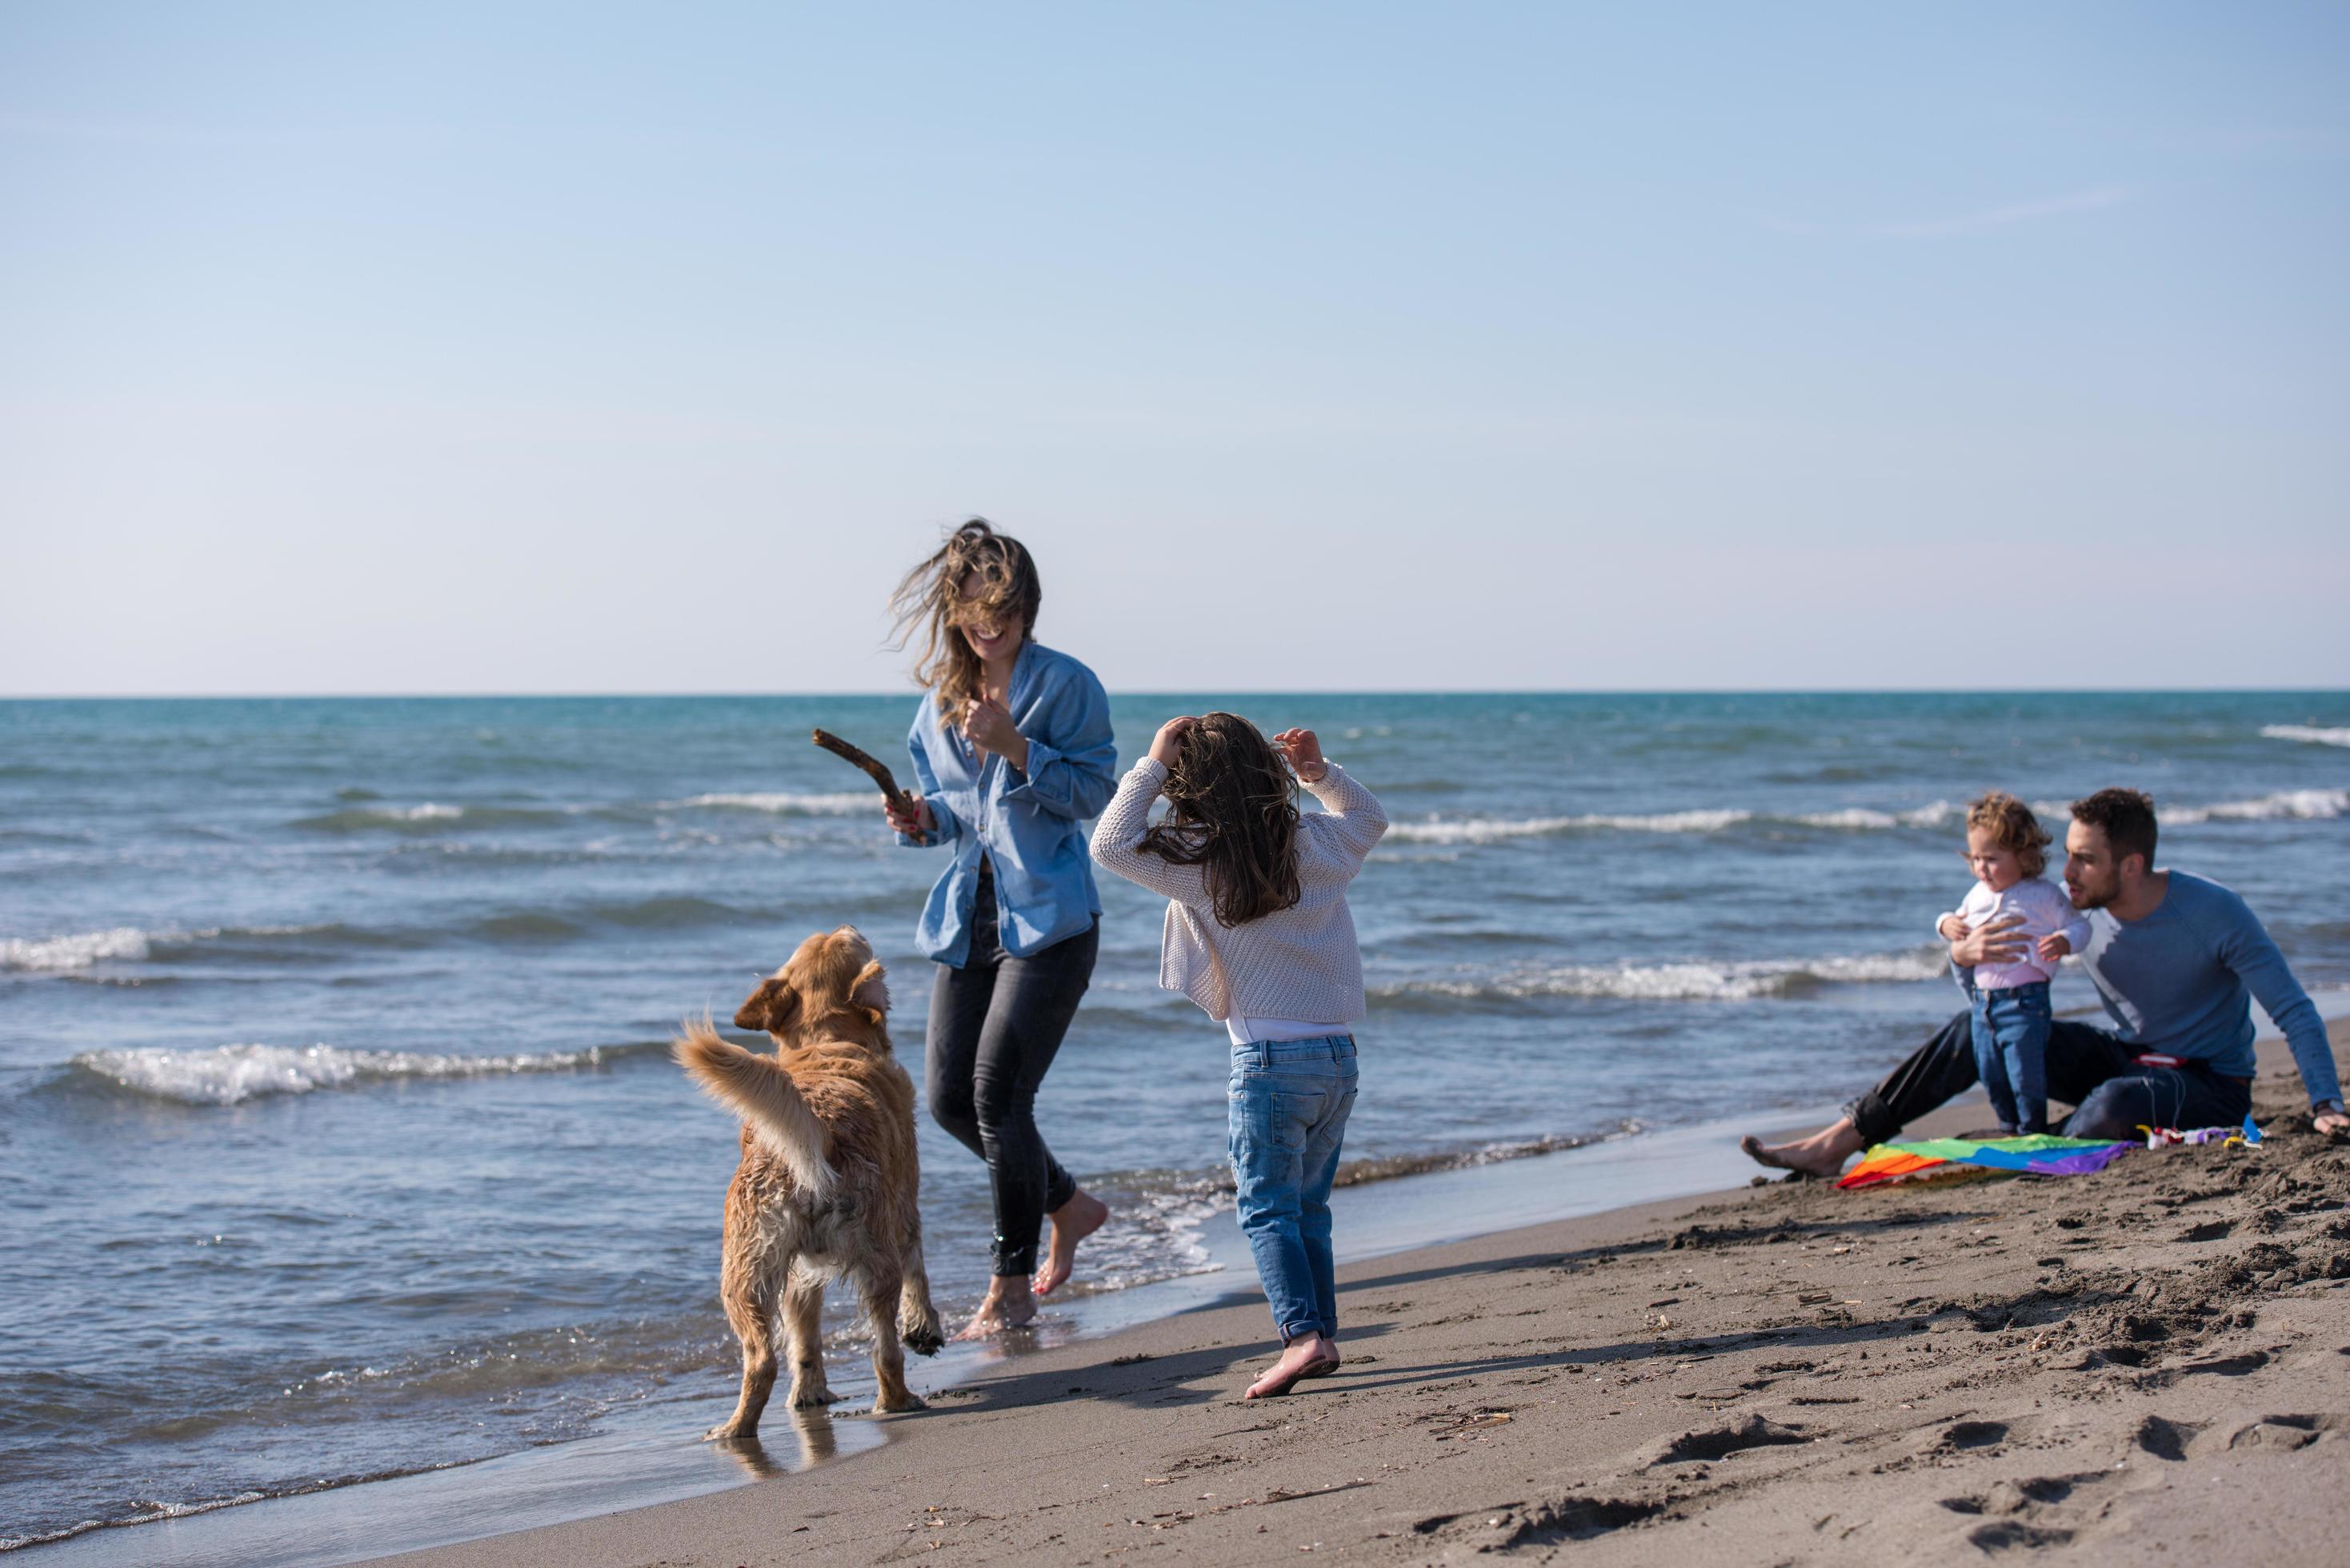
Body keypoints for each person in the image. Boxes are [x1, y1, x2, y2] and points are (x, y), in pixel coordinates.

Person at [1745, 787, 2348, 1178]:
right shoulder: (2071, 908)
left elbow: (2293, 1010)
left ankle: (2023, 1145)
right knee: (1974, 1027)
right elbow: (1988, 988)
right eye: (2067, 854)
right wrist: (1962, 952)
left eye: (2084, 858)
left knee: (2115, 1103)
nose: (2065, 872)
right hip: (2123, 1057)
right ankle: (1839, 1141)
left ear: (2130, 865)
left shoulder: (2214, 913)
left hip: (2205, 1083)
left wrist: (2324, 1104)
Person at [1091, 714, 1387, 1399]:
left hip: (1269, 1064)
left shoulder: (1199, 860)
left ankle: (1302, 1337)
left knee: (1265, 1209)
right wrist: (1319, 772)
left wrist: (1151, 764)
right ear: (1268, 772)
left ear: (1191, 786)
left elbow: (1109, 844)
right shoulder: (1314, 841)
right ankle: (1321, 1335)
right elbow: (1369, 818)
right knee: (1308, 1208)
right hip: (1337, 1057)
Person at [883, 520, 1117, 1339]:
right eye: (978, 611)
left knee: (996, 1096)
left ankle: (1009, 1288)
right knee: (948, 1098)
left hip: (1051, 920)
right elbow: (955, 814)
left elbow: (1097, 793)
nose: (992, 626)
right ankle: (1068, 1204)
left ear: (1028, 608)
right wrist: (917, 818)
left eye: (1007, 611)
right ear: (956, 610)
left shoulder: (1067, 685)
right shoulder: (936, 706)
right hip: (968, 920)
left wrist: (1019, 746)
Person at [1939, 792, 2089, 1134]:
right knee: (1990, 1070)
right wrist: (1945, 924)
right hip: (1983, 1005)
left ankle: (2032, 1127)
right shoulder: (1977, 894)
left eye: (1991, 858)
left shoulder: (2044, 894)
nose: (1981, 868)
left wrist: (2066, 941)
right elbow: (1952, 919)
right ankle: (2007, 1125)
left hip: (2025, 1002)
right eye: (1975, 858)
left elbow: (2080, 926)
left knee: (2024, 1071)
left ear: (2024, 854)